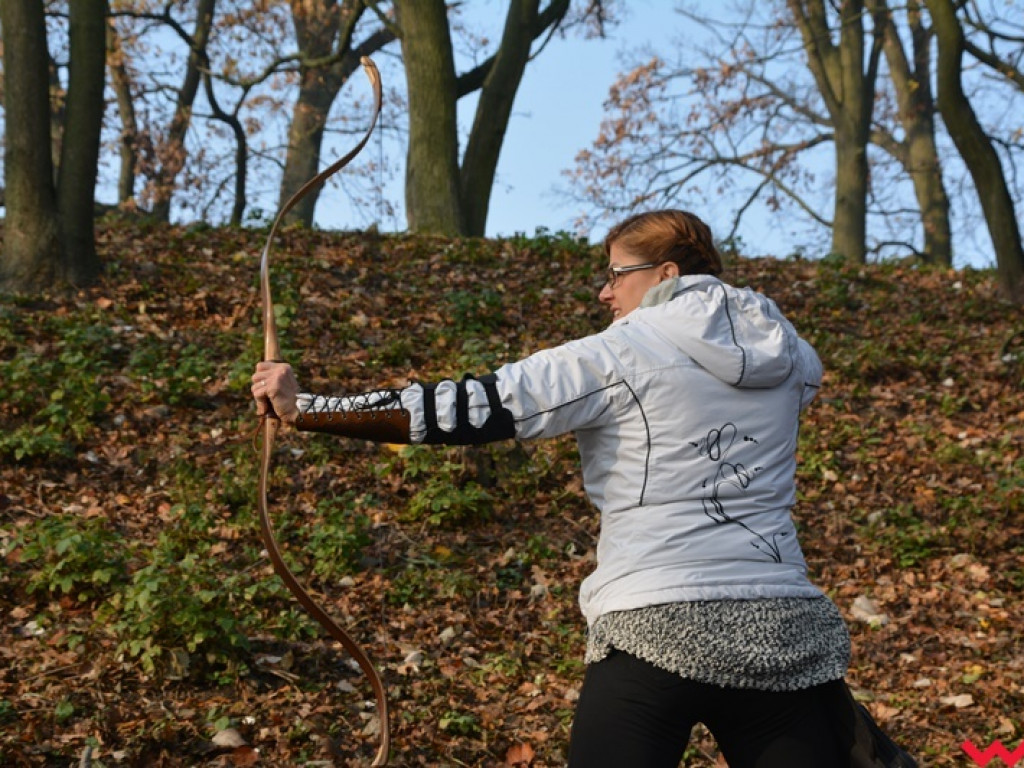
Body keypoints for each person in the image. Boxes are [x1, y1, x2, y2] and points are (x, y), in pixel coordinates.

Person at [252, 209, 915, 767]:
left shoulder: (617, 355)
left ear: (665, 276)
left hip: (655, 620)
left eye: (615, 274)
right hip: (780, 631)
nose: (605, 293)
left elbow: (467, 408)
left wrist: (306, 407)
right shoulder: (792, 356)